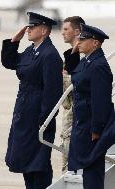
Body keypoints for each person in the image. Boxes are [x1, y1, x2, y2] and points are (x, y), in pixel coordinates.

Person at [1, 12, 63, 189]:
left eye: (32, 27)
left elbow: (52, 92)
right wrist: (14, 40)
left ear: (43, 30)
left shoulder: (49, 54)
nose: (28, 29)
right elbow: (10, 62)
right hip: (25, 111)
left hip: (37, 116)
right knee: (26, 161)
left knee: (38, 163)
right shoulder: (33, 50)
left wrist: (44, 120)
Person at [65, 24, 112, 189]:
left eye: (83, 39)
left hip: (91, 126)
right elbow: (73, 71)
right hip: (83, 122)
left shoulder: (98, 66)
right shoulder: (88, 61)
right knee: (88, 167)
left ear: (95, 43)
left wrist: (97, 129)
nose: (79, 41)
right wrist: (74, 51)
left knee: (93, 168)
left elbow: (101, 101)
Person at [61, 16, 85, 173]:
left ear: (77, 31)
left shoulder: (83, 56)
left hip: (76, 116)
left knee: (70, 168)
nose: (62, 33)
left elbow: (78, 84)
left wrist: (63, 76)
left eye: (65, 29)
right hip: (69, 113)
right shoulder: (71, 55)